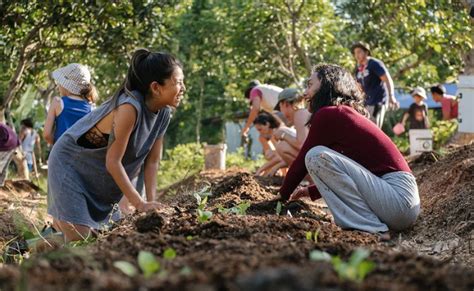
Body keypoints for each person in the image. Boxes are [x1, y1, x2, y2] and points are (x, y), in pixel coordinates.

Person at [47, 49, 185, 242]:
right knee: (81, 240)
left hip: (95, 172)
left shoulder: (163, 114)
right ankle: (25, 248)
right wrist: (139, 203)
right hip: (70, 165)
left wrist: (151, 206)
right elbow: (113, 161)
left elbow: (152, 163)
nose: (183, 88)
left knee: (97, 237)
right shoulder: (129, 108)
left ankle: (36, 243)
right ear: (156, 87)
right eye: (178, 82)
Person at [278, 64, 420, 236]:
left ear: (326, 85)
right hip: (402, 204)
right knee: (317, 156)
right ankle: (368, 224)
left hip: (398, 198)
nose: (305, 93)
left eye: (310, 85)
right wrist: (311, 191)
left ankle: (370, 229)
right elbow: (359, 170)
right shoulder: (343, 114)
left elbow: (302, 161)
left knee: (315, 156)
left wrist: (280, 198)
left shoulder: (329, 114)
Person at [43, 63, 97, 145]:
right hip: (82, 155)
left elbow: (47, 134)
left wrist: (56, 146)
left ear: (65, 85)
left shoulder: (57, 102)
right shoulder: (92, 108)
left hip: (60, 154)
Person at [352, 42, 399, 128]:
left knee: (374, 129)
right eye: (355, 53)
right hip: (366, 104)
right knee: (364, 129)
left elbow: (387, 80)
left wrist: (391, 96)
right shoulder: (358, 69)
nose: (356, 55)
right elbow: (359, 87)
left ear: (366, 52)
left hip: (378, 102)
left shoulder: (374, 64)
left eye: (359, 52)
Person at [273, 88, 310, 166]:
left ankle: (310, 178)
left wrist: (283, 134)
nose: (281, 112)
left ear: (286, 104)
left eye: (280, 108)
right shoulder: (302, 114)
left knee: (282, 146)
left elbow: (302, 145)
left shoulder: (299, 114)